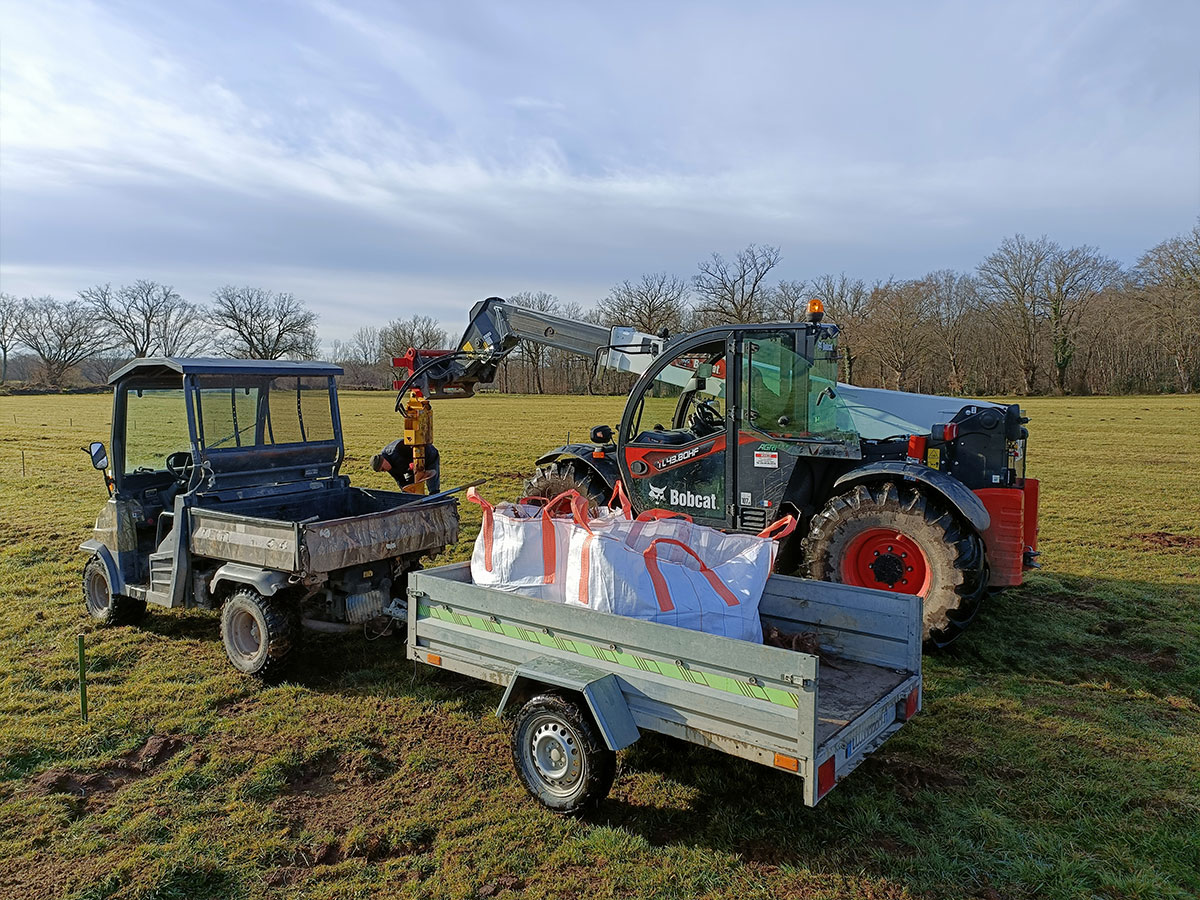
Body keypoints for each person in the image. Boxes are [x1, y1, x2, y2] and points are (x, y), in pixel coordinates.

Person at [371, 439, 440, 493]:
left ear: (383, 460)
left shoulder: (399, 448)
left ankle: (435, 500)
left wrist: (418, 466)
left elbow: (418, 448)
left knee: (433, 486)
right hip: (410, 467)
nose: (384, 471)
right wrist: (405, 491)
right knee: (410, 487)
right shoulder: (388, 466)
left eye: (382, 469)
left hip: (429, 456)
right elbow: (399, 479)